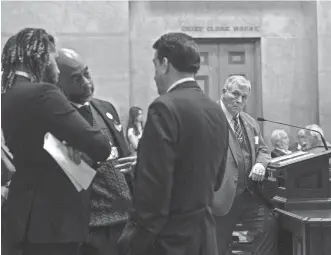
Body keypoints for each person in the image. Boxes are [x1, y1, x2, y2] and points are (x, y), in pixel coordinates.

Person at [1, 28, 111, 255]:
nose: (57, 67)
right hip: (55, 219)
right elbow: (100, 146)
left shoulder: (7, 96)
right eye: (53, 58)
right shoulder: (44, 93)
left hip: (20, 215)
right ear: (40, 55)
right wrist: (75, 144)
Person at [117, 32, 229, 255]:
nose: (154, 75)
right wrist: (144, 164)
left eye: (154, 65)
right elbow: (215, 179)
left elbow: (154, 193)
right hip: (204, 237)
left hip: (168, 240)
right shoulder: (216, 110)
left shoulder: (164, 107)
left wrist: (133, 243)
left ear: (165, 64)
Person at [53, 48, 133, 255]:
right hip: (91, 228)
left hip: (126, 221)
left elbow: (122, 155)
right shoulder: (58, 120)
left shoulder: (106, 108)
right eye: (75, 78)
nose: (86, 83)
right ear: (58, 83)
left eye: (86, 73)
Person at [212, 75, 278, 255]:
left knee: (267, 226)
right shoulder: (209, 118)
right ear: (224, 92)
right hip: (221, 196)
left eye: (244, 97)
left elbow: (264, 149)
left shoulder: (250, 122)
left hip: (250, 194)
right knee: (218, 246)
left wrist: (260, 164)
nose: (239, 101)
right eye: (235, 94)